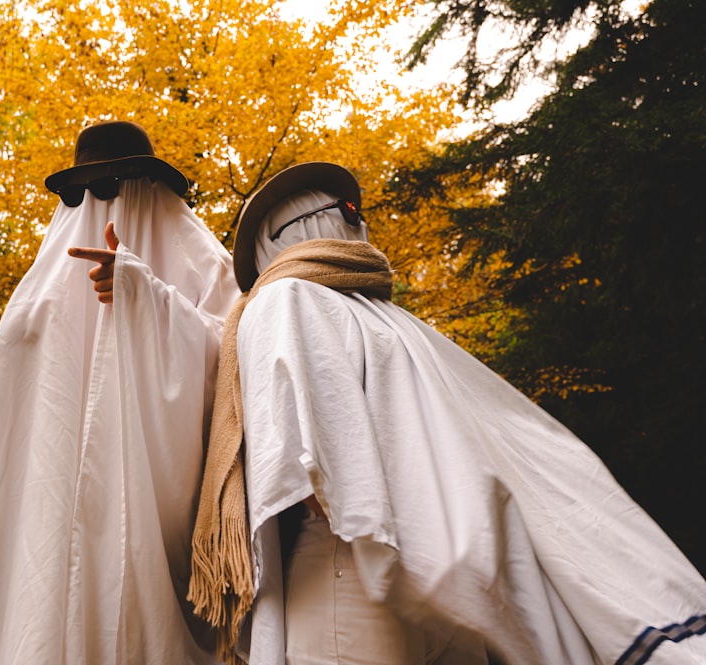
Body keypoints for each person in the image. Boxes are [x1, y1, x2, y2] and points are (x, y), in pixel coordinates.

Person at [188, 162, 706, 665]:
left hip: (391, 571)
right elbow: (308, 449)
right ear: (300, 228)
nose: (356, 220)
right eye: (344, 210)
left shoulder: (373, 315)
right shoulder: (292, 297)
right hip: (364, 571)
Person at [0, 121, 239, 665]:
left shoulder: (200, 258)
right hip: (47, 503)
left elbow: (236, 354)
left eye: (109, 185)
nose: (93, 202)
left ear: (141, 183)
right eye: (78, 190)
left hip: (147, 507)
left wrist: (147, 296)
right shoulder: (40, 287)